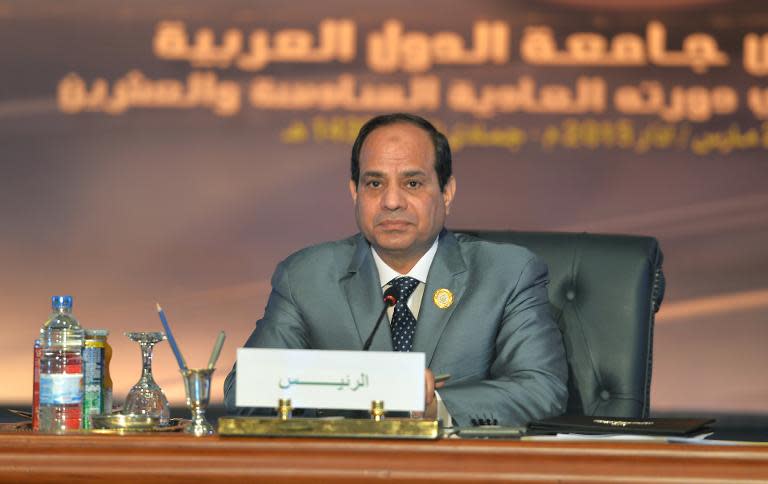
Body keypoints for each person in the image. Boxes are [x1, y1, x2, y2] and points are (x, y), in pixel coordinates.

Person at [224, 113, 567, 426]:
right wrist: (361, 389)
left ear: (447, 192)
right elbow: (244, 390)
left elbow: (541, 389)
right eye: (374, 184)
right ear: (354, 192)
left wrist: (436, 406)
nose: (391, 201)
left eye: (412, 183)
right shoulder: (305, 277)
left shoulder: (507, 273)